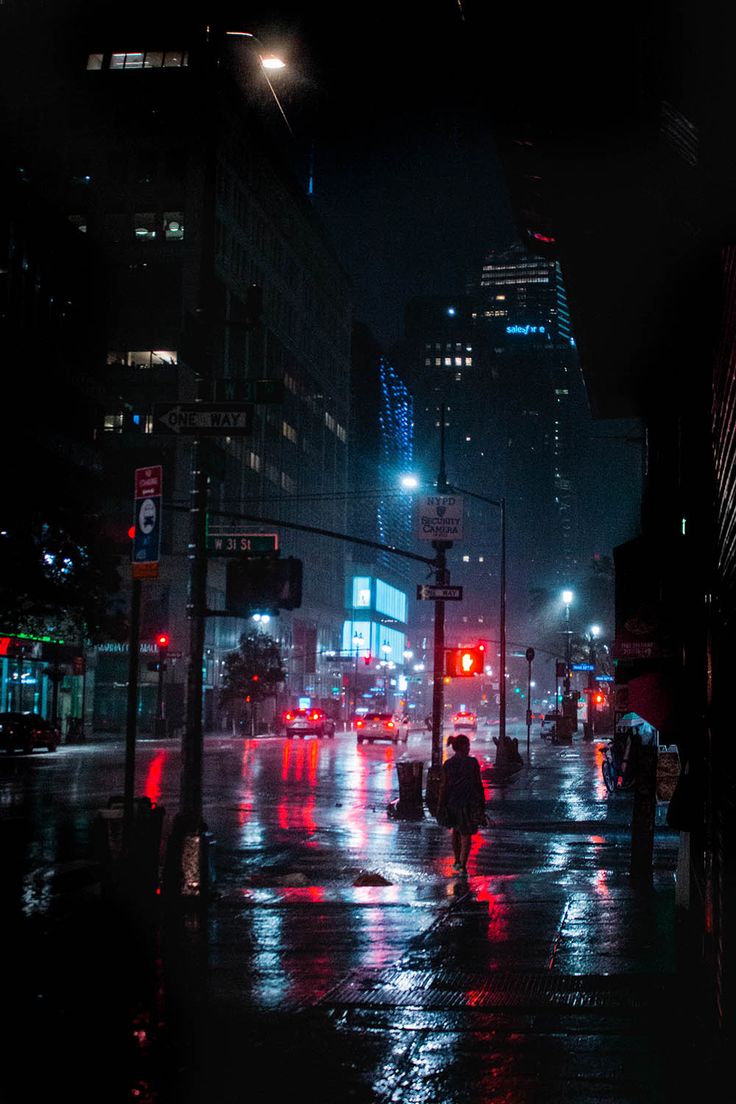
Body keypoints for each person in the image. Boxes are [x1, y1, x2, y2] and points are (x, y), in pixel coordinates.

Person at [436, 732, 487, 875]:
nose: (469, 748)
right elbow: (478, 784)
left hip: (452, 802)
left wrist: (441, 804)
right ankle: (463, 865)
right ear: (464, 746)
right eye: (468, 746)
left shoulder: (448, 764)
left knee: (456, 832)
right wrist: (481, 803)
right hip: (468, 803)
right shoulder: (472, 763)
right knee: (466, 835)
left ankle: (457, 861)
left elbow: (444, 786)